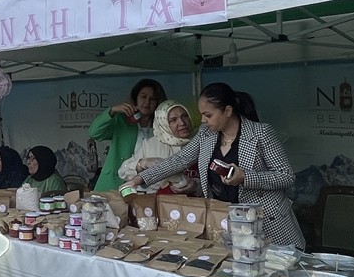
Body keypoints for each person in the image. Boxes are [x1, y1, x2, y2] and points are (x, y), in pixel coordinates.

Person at [128, 82, 305, 248]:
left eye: (208, 115)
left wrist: (245, 177)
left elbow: (286, 176)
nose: (203, 121)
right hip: (227, 222)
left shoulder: (261, 133)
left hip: (267, 221)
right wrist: (141, 178)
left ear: (228, 111)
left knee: (275, 272)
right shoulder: (206, 134)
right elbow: (179, 160)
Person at [88, 78, 166, 191]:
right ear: (135, 98)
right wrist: (112, 110)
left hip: (147, 187)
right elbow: (94, 132)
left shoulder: (163, 126)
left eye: (153, 99)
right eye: (143, 97)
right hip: (115, 183)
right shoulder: (121, 120)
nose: (147, 102)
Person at [119, 99, 200, 194]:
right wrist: (141, 163)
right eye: (173, 120)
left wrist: (196, 187)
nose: (182, 123)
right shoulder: (150, 144)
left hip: (192, 205)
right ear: (163, 123)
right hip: (154, 203)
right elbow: (123, 171)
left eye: (185, 116)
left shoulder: (199, 141)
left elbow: (211, 182)